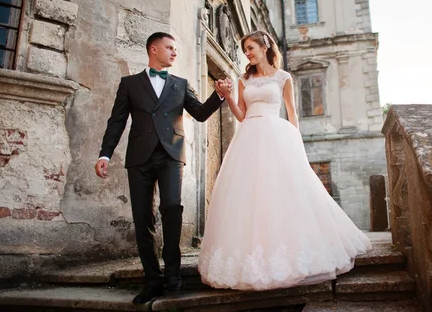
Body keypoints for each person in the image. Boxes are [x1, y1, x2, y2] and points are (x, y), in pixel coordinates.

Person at [198, 30, 372, 291]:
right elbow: (242, 116)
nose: (247, 53)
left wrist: (296, 144)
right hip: (248, 138)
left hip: (276, 137)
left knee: (281, 193)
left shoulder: (283, 78)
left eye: (251, 47)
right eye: (245, 49)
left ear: (265, 46)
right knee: (249, 195)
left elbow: (292, 114)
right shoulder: (245, 78)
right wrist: (228, 96)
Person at [95, 32, 231, 304]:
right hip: (139, 158)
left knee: (171, 208)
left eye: (176, 49)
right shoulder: (130, 84)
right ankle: (152, 280)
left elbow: (201, 114)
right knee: (142, 216)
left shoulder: (180, 84)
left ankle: (172, 275)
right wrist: (105, 155)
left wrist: (218, 95)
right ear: (153, 49)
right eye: (169, 48)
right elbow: (117, 121)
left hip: (171, 155)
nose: (174, 53)